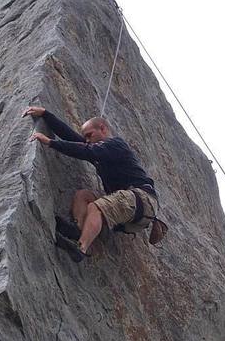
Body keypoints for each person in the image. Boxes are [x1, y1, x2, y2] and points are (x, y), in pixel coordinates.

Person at [22, 105, 159, 262]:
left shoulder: (116, 145)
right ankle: (79, 231)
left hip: (141, 199)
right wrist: (46, 114)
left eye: (89, 135)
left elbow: (87, 150)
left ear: (102, 128)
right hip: (132, 210)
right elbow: (72, 138)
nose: (87, 140)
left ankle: (82, 248)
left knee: (96, 207)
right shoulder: (100, 150)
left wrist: (50, 143)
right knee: (83, 196)